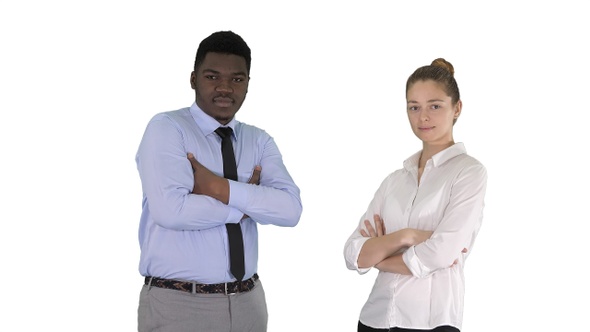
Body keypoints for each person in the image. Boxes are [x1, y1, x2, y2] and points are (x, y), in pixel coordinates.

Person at [135, 30, 302, 332]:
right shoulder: (168, 129)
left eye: (237, 79)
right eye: (212, 77)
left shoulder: (259, 140)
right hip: (179, 304)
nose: (225, 88)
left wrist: (216, 187)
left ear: (248, 84)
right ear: (193, 79)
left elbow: (290, 210)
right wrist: (247, 204)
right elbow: (172, 211)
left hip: (248, 302)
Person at [343, 58, 487, 332]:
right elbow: (353, 253)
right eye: (414, 107)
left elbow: (441, 254)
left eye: (435, 106)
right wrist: (406, 236)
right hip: (375, 318)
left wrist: (380, 256)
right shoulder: (394, 181)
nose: (423, 117)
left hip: (430, 322)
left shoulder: (469, 173)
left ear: (457, 108)